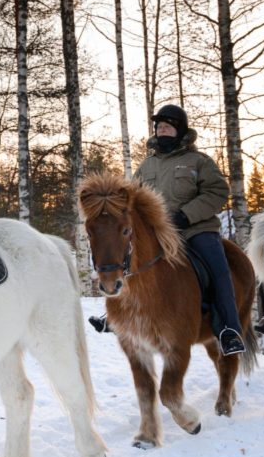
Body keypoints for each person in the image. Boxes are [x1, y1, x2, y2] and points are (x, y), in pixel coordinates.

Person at [89, 105, 246, 356]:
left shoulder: (199, 161)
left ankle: (229, 329)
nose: (162, 128)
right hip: (156, 233)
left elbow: (217, 193)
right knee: (127, 259)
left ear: (180, 130)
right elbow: (133, 200)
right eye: (159, 125)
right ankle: (116, 315)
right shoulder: (147, 165)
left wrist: (186, 215)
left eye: (168, 125)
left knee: (218, 269)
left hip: (195, 229)